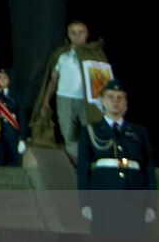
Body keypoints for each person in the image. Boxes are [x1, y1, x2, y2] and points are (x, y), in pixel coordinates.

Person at [77, 79, 155, 236]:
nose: (115, 101)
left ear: (126, 102)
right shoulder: (91, 131)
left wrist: (151, 204)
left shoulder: (139, 132)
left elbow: (148, 168)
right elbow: (83, 168)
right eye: (110, 97)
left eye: (120, 97)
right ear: (102, 101)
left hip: (135, 196)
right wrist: (85, 202)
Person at [34, 20, 110, 163]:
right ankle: (77, 166)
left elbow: (104, 80)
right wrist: (45, 101)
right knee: (68, 134)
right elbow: (52, 80)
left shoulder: (94, 54)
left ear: (86, 34)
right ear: (68, 35)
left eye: (80, 32)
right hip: (64, 98)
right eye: (73, 32)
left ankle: (92, 163)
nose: (77, 35)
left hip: (87, 101)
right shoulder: (62, 55)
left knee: (91, 132)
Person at [0, 68, 26, 166]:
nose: (2, 80)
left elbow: (22, 118)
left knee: (12, 161)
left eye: (5, 77)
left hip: (12, 133)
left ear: (9, 80)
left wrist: (23, 138)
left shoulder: (16, 97)